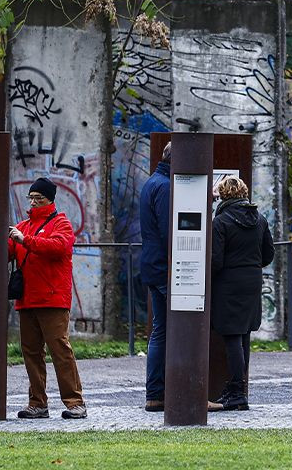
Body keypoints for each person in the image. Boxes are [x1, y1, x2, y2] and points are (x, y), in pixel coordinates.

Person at [8, 177, 86, 420]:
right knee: (31, 352)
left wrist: (24, 240)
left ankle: (75, 402)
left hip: (52, 299)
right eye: (31, 197)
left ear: (50, 199)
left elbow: (58, 247)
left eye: (38, 198)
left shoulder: (61, 223)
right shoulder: (24, 225)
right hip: (28, 298)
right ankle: (37, 402)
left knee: (59, 350)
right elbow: (9, 252)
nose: (33, 202)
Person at [209, 176, 274, 411]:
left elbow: (215, 261)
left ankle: (236, 391)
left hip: (229, 282)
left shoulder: (221, 222)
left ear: (224, 196)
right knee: (244, 334)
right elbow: (268, 255)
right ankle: (239, 389)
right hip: (253, 280)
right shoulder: (260, 219)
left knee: (232, 337)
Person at [138, 142, 171, 412]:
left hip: (152, 265)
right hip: (165, 267)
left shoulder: (153, 181)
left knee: (160, 330)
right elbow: (169, 231)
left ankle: (155, 393)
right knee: (183, 326)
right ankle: (182, 390)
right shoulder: (166, 186)